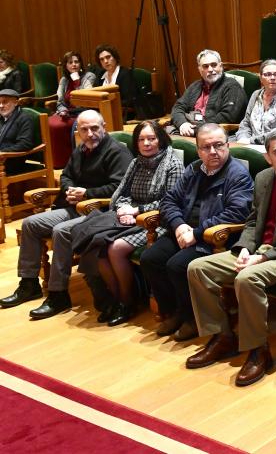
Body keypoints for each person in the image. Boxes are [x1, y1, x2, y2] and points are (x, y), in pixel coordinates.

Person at [186, 127, 276, 386]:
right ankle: (222, 337)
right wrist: (244, 248)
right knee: (198, 268)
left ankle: (258, 351)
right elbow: (252, 222)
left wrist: (262, 258)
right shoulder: (264, 178)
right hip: (256, 251)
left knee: (247, 279)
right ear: (267, 157)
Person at [0, 110, 131, 318]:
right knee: (30, 224)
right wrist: (70, 190)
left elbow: (120, 187)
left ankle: (58, 294)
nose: (90, 134)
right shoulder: (81, 149)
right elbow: (66, 176)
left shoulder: (117, 152)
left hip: (100, 212)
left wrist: (87, 193)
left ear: (104, 127)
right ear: (78, 130)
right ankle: (29, 283)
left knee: (61, 231)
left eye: (95, 128)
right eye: (84, 129)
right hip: (74, 207)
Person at [140, 123, 253, 341]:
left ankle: (192, 318)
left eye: (218, 145)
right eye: (206, 147)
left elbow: (237, 213)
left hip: (214, 238)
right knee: (150, 258)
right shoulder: (193, 170)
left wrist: (198, 233)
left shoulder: (237, 174)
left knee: (177, 265)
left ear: (228, 145)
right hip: (184, 230)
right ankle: (173, 312)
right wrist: (180, 225)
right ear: (198, 150)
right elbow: (169, 201)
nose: (213, 152)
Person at [73, 121, 184, 326]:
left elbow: (169, 202)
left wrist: (136, 210)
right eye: (141, 139)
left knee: (115, 248)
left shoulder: (172, 164)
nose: (146, 144)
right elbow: (119, 194)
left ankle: (127, 301)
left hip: (156, 221)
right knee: (100, 245)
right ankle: (115, 299)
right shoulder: (136, 162)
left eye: (151, 138)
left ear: (161, 139)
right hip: (129, 218)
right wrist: (125, 208)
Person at [170, 49, 247, 137]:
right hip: (188, 131)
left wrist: (195, 129)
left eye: (214, 65)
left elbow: (227, 117)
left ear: (221, 66)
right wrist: (182, 124)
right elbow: (178, 107)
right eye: (205, 66)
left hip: (217, 135)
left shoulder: (232, 87)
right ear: (199, 69)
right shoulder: (194, 86)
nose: (210, 69)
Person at [232, 59, 276, 144]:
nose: (272, 78)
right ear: (261, 78)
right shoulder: (256, 94)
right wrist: (242, 138)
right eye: (267, 74)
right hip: (250, 144)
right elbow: (246, 123)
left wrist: (251, 141)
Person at [48, 51, 97, 168]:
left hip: (82, 112)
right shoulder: (64, 80)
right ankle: (59, 162)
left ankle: (75, 162)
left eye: (76, 62)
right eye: (70, 62)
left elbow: (86, 96)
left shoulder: (89, 76)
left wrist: (76, 81)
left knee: (61, 125)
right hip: (67, 112)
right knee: (50, 122)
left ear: (80, 64)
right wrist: (62, 110)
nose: (74, 65)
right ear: (66, 65)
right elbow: (60, 101)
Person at [0, 88, 35, 175]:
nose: (1, 106)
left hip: (13, 160)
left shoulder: (25, 118)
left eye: (4, 102)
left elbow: (25, 143)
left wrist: (3, 152)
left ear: (15, 103)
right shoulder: (1, 118)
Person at [94, 44, 138, 111]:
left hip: (122, 113)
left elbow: (129, 101)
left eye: (108, 57)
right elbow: (94, 96)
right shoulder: (101, 75)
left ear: (115, 57)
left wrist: (107, 103)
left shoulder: (125, 74)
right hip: (103, 111)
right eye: (102, 59)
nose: (105, 61)